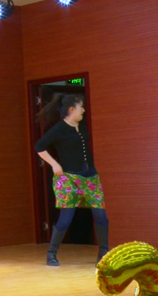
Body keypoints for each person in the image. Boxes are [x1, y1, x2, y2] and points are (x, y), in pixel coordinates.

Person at [35, 93, 108, 266]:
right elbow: (39, 146)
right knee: (66, 218)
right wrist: (55, 165)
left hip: (90, 177)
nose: (83, 110)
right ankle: (51, 254)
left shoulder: (82, 126)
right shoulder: (59, 129)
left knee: (101, 215)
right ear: (71, 109)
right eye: (81, 107)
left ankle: (103, 253)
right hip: (69, 179)